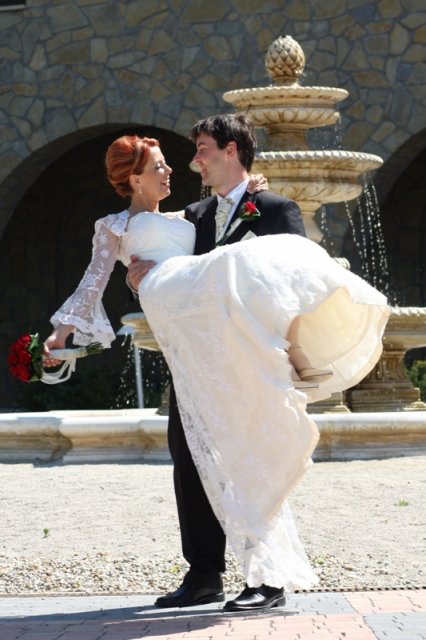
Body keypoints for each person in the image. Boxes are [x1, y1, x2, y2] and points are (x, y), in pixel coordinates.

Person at [44, 118, 389, 613]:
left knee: (253, 461)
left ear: (230, 151)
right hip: (199, 365)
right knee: (190, 461)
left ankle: (267, 577)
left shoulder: (276, 209)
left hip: (252, 364)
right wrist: (137, 280)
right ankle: (204, 574)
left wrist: (293, 359)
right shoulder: (194, 217)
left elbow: (296, 284)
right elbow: (163, 267)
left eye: (203, 149)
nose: (193, 161)